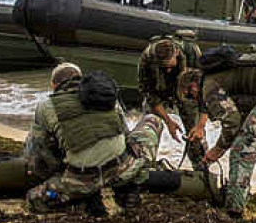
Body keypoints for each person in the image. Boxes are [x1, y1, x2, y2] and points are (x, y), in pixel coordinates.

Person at [24, 63, 164, 214]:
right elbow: (125, 136)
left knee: (34, 199)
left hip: (81, 181)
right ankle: (133, 188)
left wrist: (43, 171)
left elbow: (38, 147)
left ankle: (85, 199)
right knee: (152, 120)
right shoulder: (107, 96)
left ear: (54, 85)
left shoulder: (46, 106)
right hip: (121, 171)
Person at [187, 58, 256, 218]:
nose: (193, 100)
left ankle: (234, 211)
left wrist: (218, 148)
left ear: (193, 86)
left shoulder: (208, 86)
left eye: (189, 95)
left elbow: (231, 121)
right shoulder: (219, 77)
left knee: (242, 151)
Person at [137, 37, 207, 170]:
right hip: (159, 91)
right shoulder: (147, 58)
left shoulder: (191, 53)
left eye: (171, 66)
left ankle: (202, 168)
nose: (168, 70)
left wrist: (201, 125)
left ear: (176, 54)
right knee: (149, 124)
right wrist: (168, 121)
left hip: (185, 92)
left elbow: (205, 91)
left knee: (195, 130)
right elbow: (148, 93)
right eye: (164, 67)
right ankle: (143, 167)